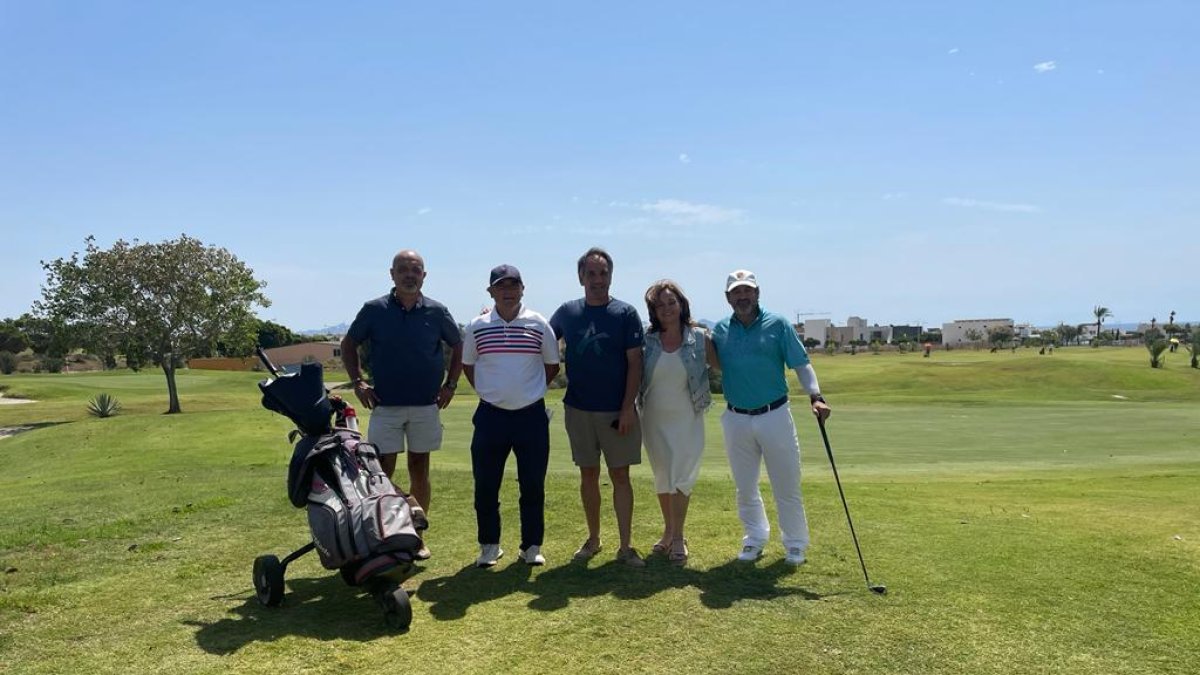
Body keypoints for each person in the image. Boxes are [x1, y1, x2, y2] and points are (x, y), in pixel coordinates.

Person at [341, 250, 463, 559]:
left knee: (420, 469)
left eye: (416, 270)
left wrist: (450, 384)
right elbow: (349, 343)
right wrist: (357, 382)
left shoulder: (436, 312)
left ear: (424, 275)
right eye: (403, 269)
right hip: (386, 405)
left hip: (426, 405)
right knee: (381, 473)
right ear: (392, 274)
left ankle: (416, 538)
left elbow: (459, 344)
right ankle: (388, 531)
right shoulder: (374, 309)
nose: (410, 274)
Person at [711, 269, 831, 566]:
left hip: (774, 414)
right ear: (728, 298)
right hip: (736, 417)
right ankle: (754, 538)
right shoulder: (720, 330)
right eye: (737, 292)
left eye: (747, 290)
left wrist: (815, 395)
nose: (743, 296)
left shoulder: (778, 324)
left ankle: (795, 543)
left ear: (757, 293)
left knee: (786, 484)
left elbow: (801, 364)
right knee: (745, 486)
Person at [550, 247, 647, 568]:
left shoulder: (625, 313)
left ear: (611, 276)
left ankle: (625, 546)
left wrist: (628, 407)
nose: (597, 279)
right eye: (590, 273)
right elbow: (541, 341)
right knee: (588, 474)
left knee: (620, 476)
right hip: (578, 409)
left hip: (617, 412)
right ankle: (593, 540)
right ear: (581, 277)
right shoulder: (567, 312)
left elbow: (635, 363)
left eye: (603, 273)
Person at [462, 264, 561, 567]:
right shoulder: (477, 326)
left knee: (532, 485)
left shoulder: (539, 324)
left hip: (530, 417)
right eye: (501, 287)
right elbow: (469, 365)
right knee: (486, 485)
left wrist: (527, 392)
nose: (507, 292)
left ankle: (531, 546)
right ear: (490, 291)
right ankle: (489, 546)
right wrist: (493, 392)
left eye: (513, 286)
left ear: (522, 289)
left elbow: (551, 364)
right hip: (491, 417)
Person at [638, 280, 718, 566]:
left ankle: (679, 537)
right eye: (660, 305)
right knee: (663, 475)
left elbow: (724, 365)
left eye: (671, 302)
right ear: (654, 311)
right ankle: (669, 532)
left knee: (682, 476)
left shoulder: (699, 337)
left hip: (688, 417)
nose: (667, 308)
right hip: (653, 417)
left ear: (681, 304)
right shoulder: (647, 340)